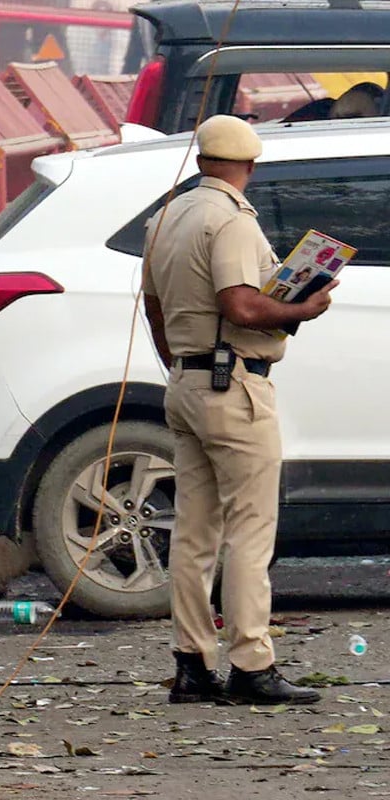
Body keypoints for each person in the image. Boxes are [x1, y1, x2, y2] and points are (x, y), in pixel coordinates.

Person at [142, 115, 336, 707]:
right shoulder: (229, 220)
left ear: (203, 160)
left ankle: (193, 665)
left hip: (187, 383)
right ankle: (252, 664)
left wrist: (184, 364)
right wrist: (303, 310)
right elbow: (243, 307)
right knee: (250, 533)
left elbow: (154, 308)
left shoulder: (166, 217)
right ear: (250, 166)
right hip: (235, 387)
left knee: (194, 533)